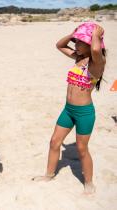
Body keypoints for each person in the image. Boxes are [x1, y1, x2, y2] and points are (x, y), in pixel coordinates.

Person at [32, 22, 106, 195]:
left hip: (84, 113)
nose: (76, 45)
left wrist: (96, 35)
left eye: (80, 42)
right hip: (68, 110)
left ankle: (89, 183)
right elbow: (59, 45)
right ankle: (49, 175)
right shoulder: (78, 58)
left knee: (81, 149)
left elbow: (96, 51)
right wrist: (73, 33)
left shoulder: (97, 64)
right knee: (54, 142)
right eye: (76, 42)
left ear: (90, 43)